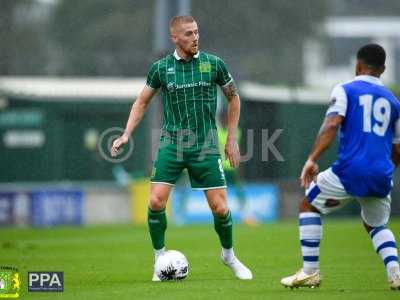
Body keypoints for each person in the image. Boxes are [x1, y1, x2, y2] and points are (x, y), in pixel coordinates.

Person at [111, 15, 252, 281]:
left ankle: (229, 256)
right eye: (188, 34)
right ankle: (159, 259)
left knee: (220, 208)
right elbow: (141, 102)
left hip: (205, 146)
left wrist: (231, 139)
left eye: (197, 32)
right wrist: (126, 134)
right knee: (155, 202)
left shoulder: (214, 64)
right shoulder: (161, 68)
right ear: (174, 38)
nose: (195, 37)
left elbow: (234, 99)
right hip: (172, 144)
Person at [281, 44, 400, 290]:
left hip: (349, 171)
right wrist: (384, 172)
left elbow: (332, 123)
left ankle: (310, 272)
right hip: (381, 173)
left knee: (308, 204)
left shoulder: (346, 89)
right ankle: (395, 272)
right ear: (383, 69)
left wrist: (312, 158)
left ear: (357, 65)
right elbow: (398, 150)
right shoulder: (394, 101)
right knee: (376, 224)